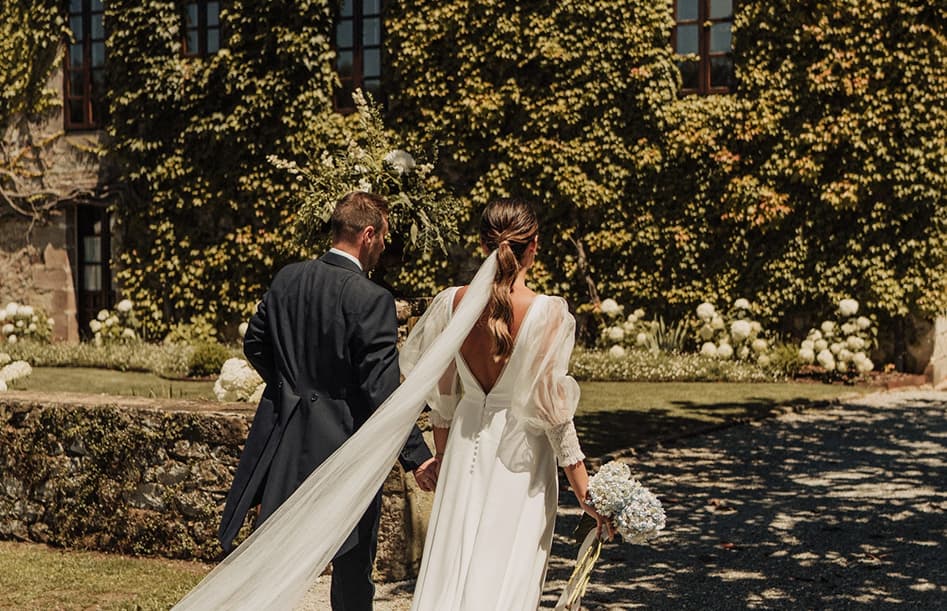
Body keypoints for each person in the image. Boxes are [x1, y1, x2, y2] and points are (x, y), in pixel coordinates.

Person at [216, 191, 438, 611]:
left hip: (286, 441)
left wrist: (292, 389)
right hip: (346, 448)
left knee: (273, 560)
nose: (384, 247)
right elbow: (381, 390)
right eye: (384, 237)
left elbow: (255, 344)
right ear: (368, 234)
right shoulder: (371, 299)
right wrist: (417, 456)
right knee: (352, 567)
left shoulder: (287, 278)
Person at [401, 198, 612, 610]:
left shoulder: (449, 303)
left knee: (452, 565)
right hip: (520, 460)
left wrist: (442, 457)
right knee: (508, 567)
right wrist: (585, 490)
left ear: (484, 246)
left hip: (463, 449)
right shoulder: (546, 312)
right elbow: (555, 414)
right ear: (533, 244)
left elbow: (443, 399)